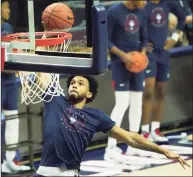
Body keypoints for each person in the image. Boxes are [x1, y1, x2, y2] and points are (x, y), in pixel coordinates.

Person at [34, 74, 189, 176]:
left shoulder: (96, 116)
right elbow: (41, 72)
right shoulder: (55, 100)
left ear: (89, 94)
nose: (74, 85)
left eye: (80, 83)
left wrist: (162, 150)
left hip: (69, 173)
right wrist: (48, 34)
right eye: (72, 83)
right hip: (44, 171)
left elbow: (131, 139)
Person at [104, 0, 148, 159]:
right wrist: (124, 56)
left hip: (137, 65)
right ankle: (110, 148)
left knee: (137, 102)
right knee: (122, 103)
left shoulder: (142, 12)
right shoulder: (114, 12)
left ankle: (134, 145)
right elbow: (106, 40)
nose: (144, 2)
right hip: (119, 63)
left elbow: (144, 38)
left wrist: (141, 55)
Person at [141, 0, 186, 142]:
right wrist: (140, 43)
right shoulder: (142, 4)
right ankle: (144, 131)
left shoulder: (169, 2)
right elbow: (132, 25)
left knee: (160, 90)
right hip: (148, 54)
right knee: (148, 91)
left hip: (164, 52)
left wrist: (174, 37)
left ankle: (155, 129)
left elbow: (182, 17)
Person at [1, 0, 30, 173]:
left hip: (9, 80)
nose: (9, 10)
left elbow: (10, 53)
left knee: (13, 119)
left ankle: (10, 160)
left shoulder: (9, 28)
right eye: (5, 7)